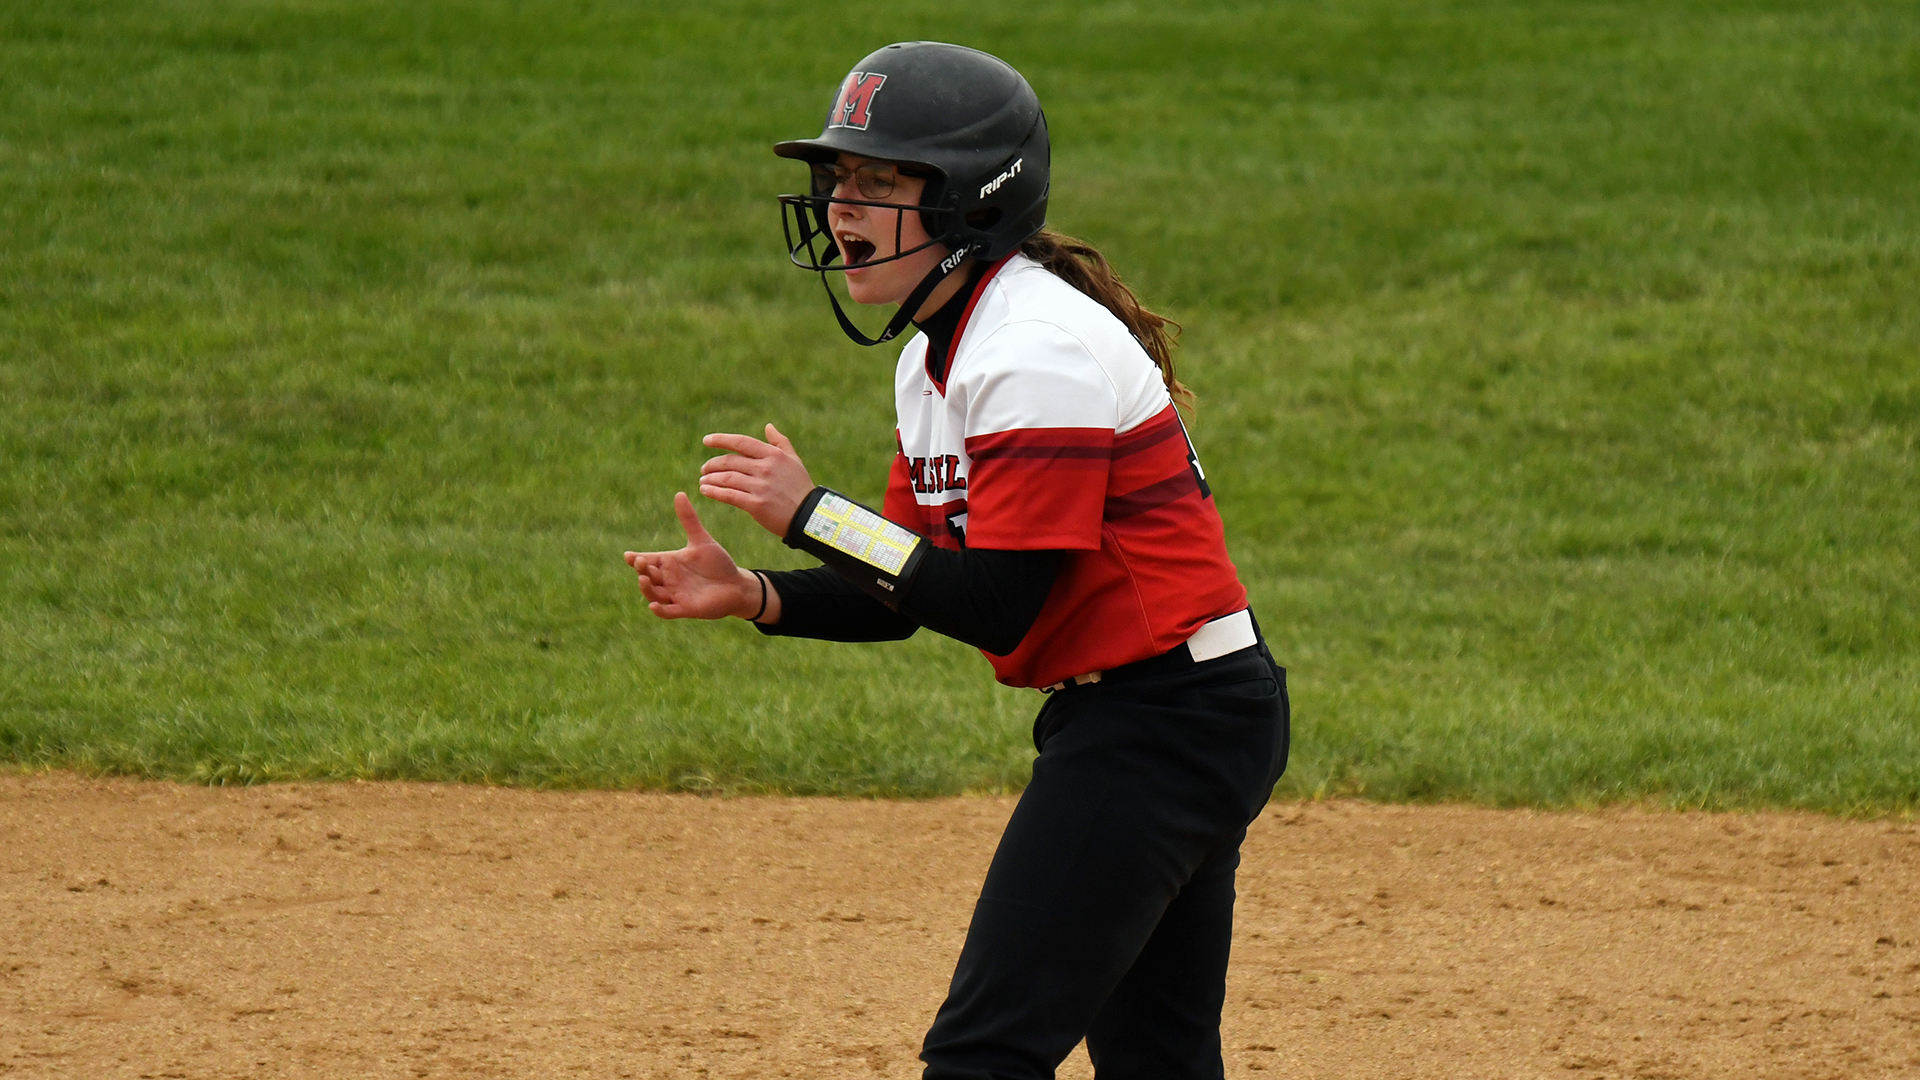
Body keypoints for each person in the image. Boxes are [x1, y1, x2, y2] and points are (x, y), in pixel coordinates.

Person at [625, 41, 1289, 1080]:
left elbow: (1000, 605)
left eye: (880, 181)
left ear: (975, 202)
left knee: (984, 1054)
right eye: (837, 180)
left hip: (1162, 725)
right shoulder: (937, 354)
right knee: (1157, 1059)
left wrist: (812, 515)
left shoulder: (1032, 351)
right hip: (1173, 713)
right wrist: (755, 595)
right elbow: (903, 592)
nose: (843, 208)